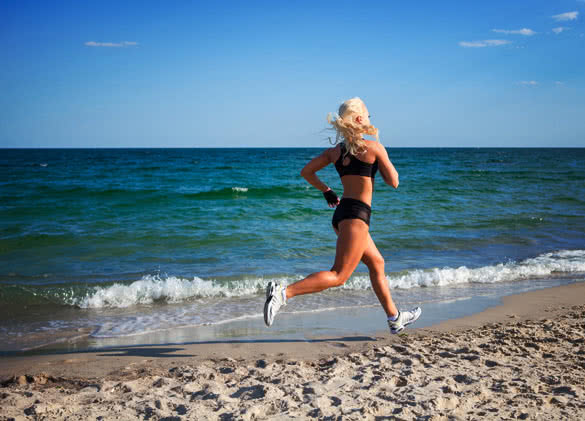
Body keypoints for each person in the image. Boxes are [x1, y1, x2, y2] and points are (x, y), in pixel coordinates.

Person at [263, 97, 421, 334]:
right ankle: (283, 293)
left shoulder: (335, 152)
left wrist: (327, 190)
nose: (370, 119)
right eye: (368, 115)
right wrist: (380, 160)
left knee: (377, 263)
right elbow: (394, 182)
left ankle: (394, 318)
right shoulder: (374, 148)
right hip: (357, 217)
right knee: (339, 275)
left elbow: (306, 172)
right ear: (359, 119)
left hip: (342, 215)